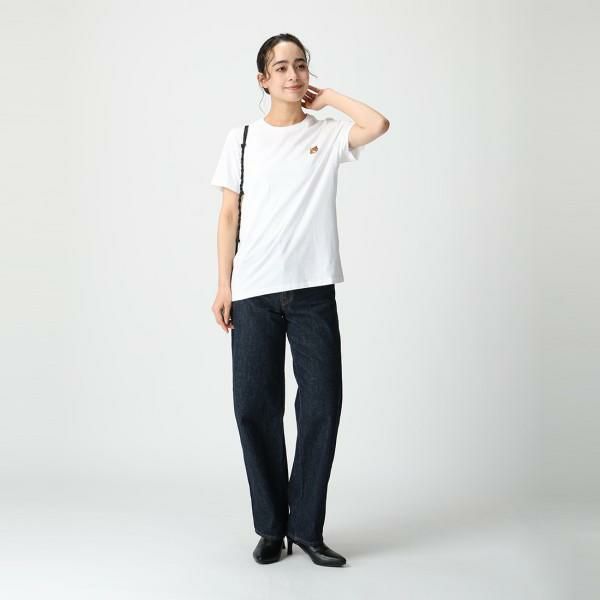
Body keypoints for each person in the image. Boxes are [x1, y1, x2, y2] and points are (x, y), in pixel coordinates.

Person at [210, 33, 390, 567]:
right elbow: (228, 214)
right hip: (253, 291)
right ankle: (271, 528)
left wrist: (328, 97)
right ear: (263, 80)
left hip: (312, 291)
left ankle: (307, 529)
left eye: (301, 65)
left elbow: (378, 124)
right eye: (281, 67)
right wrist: (223, 284)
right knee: (253, 407)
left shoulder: (327, 134)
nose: (293, 75)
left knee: (322, 406)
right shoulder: (243, 139)